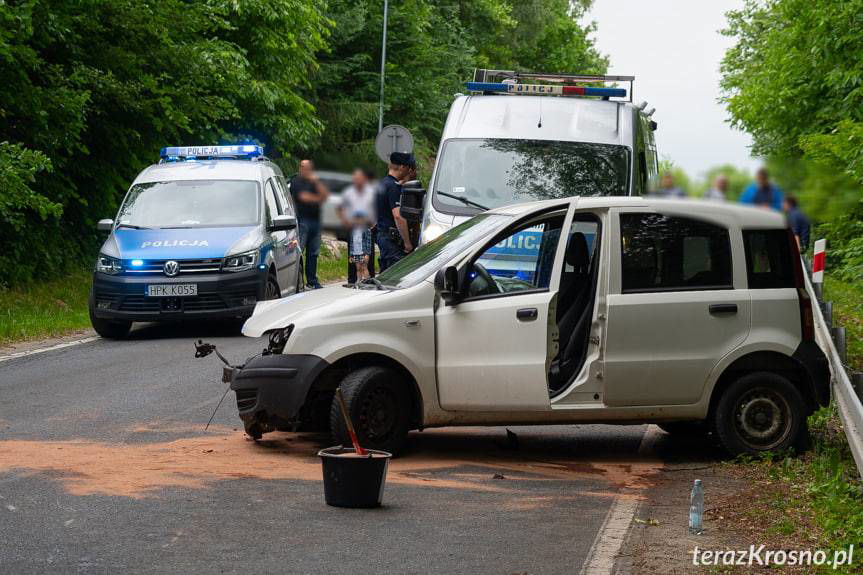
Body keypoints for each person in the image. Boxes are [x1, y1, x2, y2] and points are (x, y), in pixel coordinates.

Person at [289, 159, 329, 289]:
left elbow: (325, 196)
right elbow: (304, 197)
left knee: (313, 253)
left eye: (309, 168)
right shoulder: (296, 181)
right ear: (300, 168)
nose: (307, 170)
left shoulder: (316, 181)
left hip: (316, 221)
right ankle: (296, 281)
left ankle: (312, 281)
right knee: (299, 251)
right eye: (304, 168)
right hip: (303, 221)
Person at [376, 152, 414, 271]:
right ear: (402, 167)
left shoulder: (382, 184)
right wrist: (407, 243)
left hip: (382, 236)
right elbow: (398, 216)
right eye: (408, 167)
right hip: (392, 240)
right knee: (397, 274)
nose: (409, 171)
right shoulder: (393, 187)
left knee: (386, 274)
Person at [339, 168, 377, 284]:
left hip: (366, 226)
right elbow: (342, 208)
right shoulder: (349, 193)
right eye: (355, 178)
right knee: (354, 259)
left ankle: (369, 280)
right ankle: (353, 281)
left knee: (367, 258)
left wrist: (374, 222)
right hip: (353, 226)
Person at [348, 210, 373, 283]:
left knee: (364, 267)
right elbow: (351, 243)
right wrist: (351, 255)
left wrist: (367, 254)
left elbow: (368, 243)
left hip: (363, 252)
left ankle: (367, 281)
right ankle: (358, 281)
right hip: (355, 253)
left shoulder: (366, 230)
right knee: (358, 268)